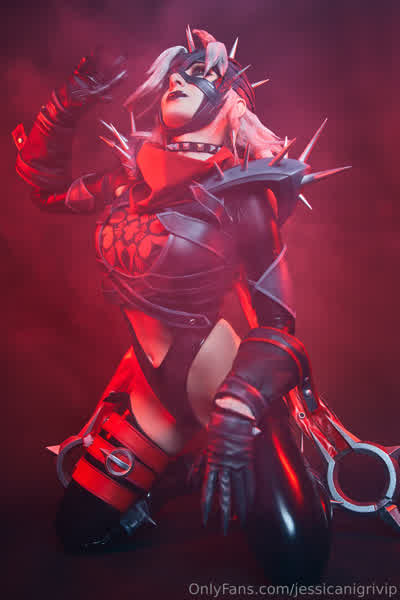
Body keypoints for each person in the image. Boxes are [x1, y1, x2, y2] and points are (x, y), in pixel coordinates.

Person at [14, 27, 341, 583]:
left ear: (233, 102)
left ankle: (248, 456)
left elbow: (279, 326)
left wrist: (237, 411)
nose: (178, 81)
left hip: (225, 387)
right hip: (152, 392)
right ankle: (185, 472)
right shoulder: (130, 180)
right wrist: (69, 101)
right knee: (78, 532)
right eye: (174, 74)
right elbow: (45, 189)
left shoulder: (243, 192)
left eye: (201, 73)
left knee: (297, 560)